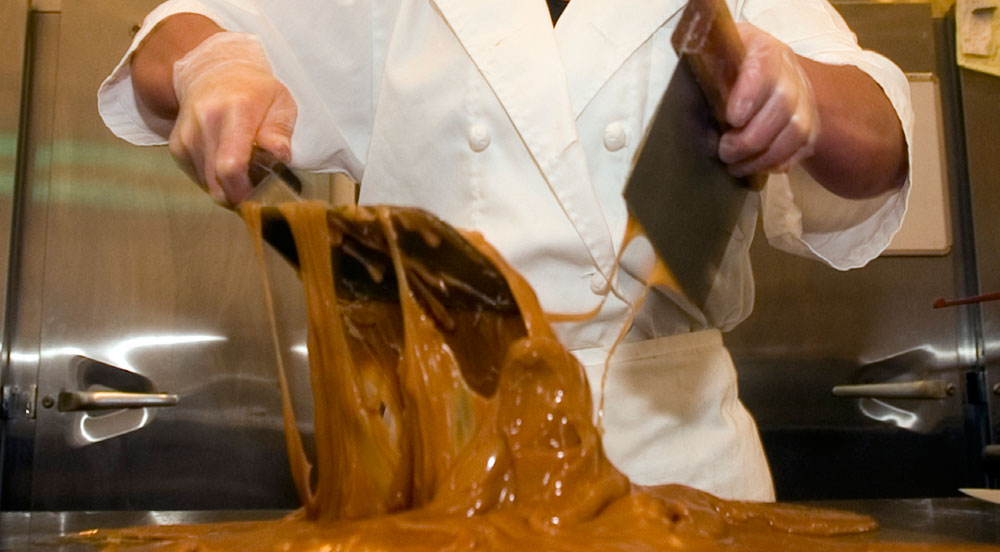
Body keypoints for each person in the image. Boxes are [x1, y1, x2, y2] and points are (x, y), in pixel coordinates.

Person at [98, 0, 912, 502]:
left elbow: (882, 132)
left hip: (674, 462)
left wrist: (802, 89)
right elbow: (175, 31)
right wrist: (213, 63)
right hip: (441, 462)